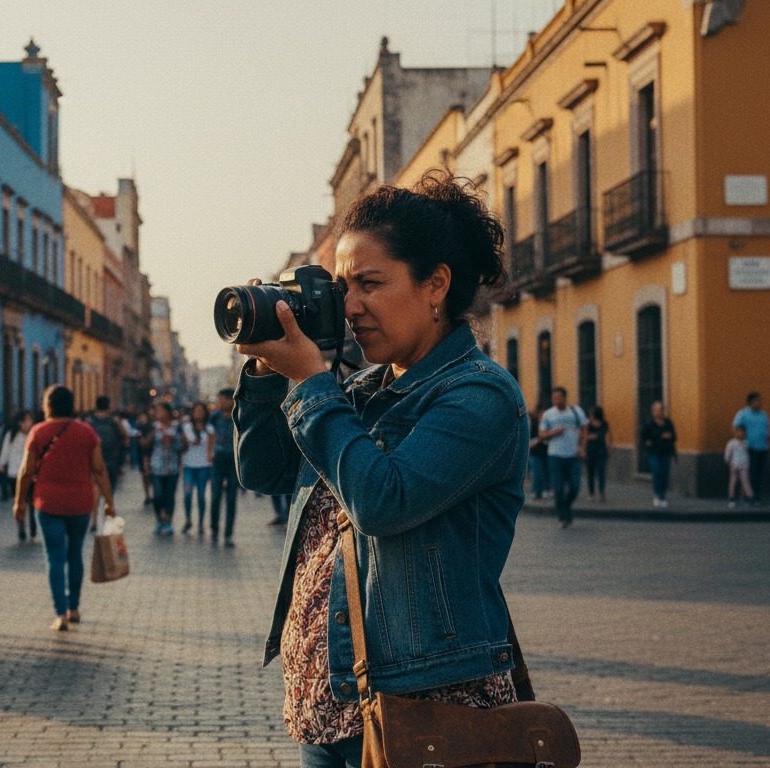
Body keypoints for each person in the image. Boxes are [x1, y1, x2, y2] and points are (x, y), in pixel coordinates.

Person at [234, 174, 526, 766]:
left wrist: (313, 384)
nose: (349, 306)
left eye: (369, 283)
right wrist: (269, 375)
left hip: (423, 705)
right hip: (327, 703)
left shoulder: (480, 397)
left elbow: (383, 501)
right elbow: (261, 472)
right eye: (342, 287)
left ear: (435, 285)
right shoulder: (363, 390)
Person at [14, 385, 117, 631]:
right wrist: (109, 502)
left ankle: (60, 614)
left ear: (48, 406)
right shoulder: (87, 432)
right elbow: (99, 470)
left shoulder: (37, 432)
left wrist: (19, 502)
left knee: (55, 558)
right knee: (75, 555)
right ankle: (74, 608)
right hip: (80, 504)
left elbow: (26, 471)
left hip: (47, 504)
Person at [539, 387, 587, 528]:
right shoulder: (548, 414)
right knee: (558, 489)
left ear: (565, 398)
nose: (556, 400)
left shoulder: (575, 411)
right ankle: (563, 517)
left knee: (574, 487)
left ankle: (565, 507)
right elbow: (542, 434)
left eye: (559, 397)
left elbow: (584, 430)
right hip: (555, 456)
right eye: (554, 398)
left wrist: (582, 448)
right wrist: (553, 432)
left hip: (573, 456)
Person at [146, 403, 185, 535]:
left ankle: (168, 521)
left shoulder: (176, 427)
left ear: (168, 412)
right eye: (157, 410)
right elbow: (146, 445)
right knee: (157, 495)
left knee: (169, 496)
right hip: (156, 467)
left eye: (161, 410)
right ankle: (159, 519)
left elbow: (182, 447)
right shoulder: (154, 427)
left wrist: (175, 438)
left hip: (172, 467)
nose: (158, 413)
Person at [208, 388, 240, 547]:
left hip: (233, 462)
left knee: (231, 499)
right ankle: (214, 528)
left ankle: (228, 534)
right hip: (218, 461)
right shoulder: (214, 417)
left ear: (231, 400)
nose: (220, 403)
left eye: (222, 400)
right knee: (215, 497)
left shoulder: (239, 416)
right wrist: (209, 453)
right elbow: (209, 435)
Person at [0, 410, 36, 541]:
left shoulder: (33, 434)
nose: (29, 423)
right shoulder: (12, 435)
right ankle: (21, 527)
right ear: (20, 423)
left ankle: (32, 525)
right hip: (15, 474)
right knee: (20, 502)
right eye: (27, 420)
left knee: (32, 502)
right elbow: (5, 450)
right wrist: (2, 463)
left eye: (30, 420)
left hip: (31, 473)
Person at [180, 402, 215, 536]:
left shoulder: (210, 429)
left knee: (201, 496)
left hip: (204, 466)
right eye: (196, 411)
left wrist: (211, 456)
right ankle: (188, 519)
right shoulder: (186, 427)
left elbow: (211, 447)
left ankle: (200, 522)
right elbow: (190, 441)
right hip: (189, 466)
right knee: (188, 494)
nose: (198, 413)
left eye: (201, 411)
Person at [733, 392, 770, 503]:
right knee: (750, 472)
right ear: (751, 402)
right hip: (749, 448)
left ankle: (755, 494)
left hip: (762, 447)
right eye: (757, 401)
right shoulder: (743, 414)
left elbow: (768, 430)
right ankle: (748, 495)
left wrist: (769, 443)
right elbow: (736, 428)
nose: (760, 403)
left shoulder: (764, 415)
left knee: (758, 472)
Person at [86, 396, 129, 494]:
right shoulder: (114, 421)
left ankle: (96, 509)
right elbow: (125, 437)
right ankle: (109, 505)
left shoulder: (90, 422)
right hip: (112, 458)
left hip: (94, 459)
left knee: (96, 484)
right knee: (110, 485)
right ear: (109, 406)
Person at [640, 400, 677, 507]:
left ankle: (663, 495)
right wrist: (661, 436)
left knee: (664, 474)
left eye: (661, 409)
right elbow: (645, 438)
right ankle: (657, 495)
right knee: (657, 471)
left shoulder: (668, 423)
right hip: (653, 453)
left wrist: (665, 436)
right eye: (657, 410)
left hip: (666, 452)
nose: (659, 412)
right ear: (653, 411)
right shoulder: (649, 424)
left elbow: (673, 436)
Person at [584, 406, 611, 502]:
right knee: (590, 473)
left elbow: (607, 436)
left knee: (601, 473)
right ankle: (591, 493)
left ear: (596, 414)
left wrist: (608, 448)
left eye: (591, 414)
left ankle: (601, 493)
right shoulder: (588, 424)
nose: (590, 415)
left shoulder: (604, 424)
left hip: (601, 450)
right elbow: (585, 437)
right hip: (590, 450)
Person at [725, 424, 755, 508]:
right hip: (734, 465)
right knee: (733, 482)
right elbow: (728, 453)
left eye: (742, 432)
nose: (740, 434)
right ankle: (731, 498)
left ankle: (750, 497)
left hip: (744, 465)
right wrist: (728, 461)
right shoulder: (731, 443)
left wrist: (744, 444)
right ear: (734, 432)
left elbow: (749, 452)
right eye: (737, 432)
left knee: (745, 481)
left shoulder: (747, 442)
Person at [527, 407, 549, 501]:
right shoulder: (533, 426)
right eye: (541, 415)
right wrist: (539, 439)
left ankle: (544, 492)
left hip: (546, 453)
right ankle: (536, 493)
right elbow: (529, 442)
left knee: (544, 473)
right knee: (536, 473)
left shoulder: (548, 426)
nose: (542, 417)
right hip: (535, 453)